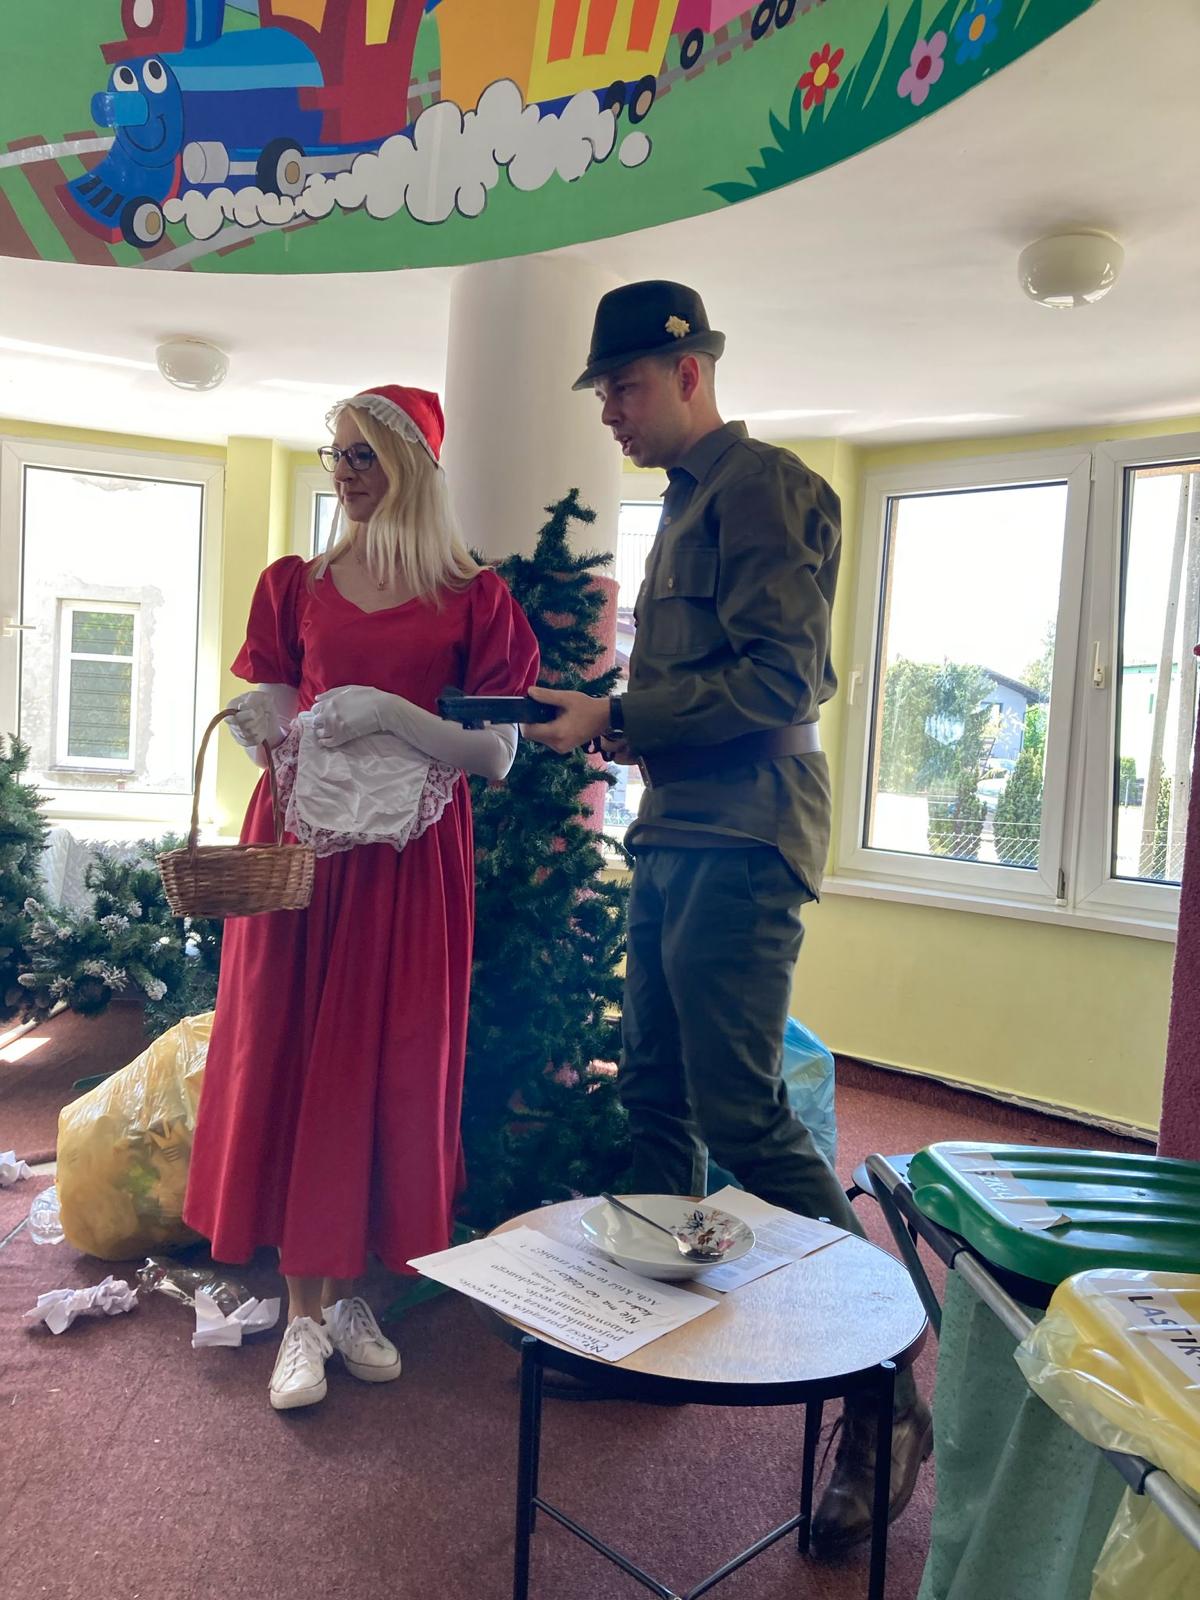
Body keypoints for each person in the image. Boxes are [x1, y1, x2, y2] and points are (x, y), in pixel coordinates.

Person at [523, 282, 931, 1554]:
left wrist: (619, 716)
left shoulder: (761, 489)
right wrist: (613, 718)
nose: (610, 409)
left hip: (746, 834)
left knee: (743, 1110)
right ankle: (658, 1336)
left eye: (625, 386)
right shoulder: (689, 502)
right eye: (603, 390)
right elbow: (706, 680)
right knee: (655, 1092)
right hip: (680, 829)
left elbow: (781, 681)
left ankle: (889, 1395)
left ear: (690, 371)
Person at [183, 385, 539, 1412]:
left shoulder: (475, 599)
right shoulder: (295, 585)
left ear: (412, 467)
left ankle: (348, 1298)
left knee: (387, 1060)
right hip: (301, 853)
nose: (342, 473)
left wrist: (391, 711)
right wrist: (260, 727)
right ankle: (303, 1312)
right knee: (295, 1050)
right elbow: (279, 720)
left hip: (412, 862)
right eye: (335, 454)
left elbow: (497, 755)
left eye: (363, 456)